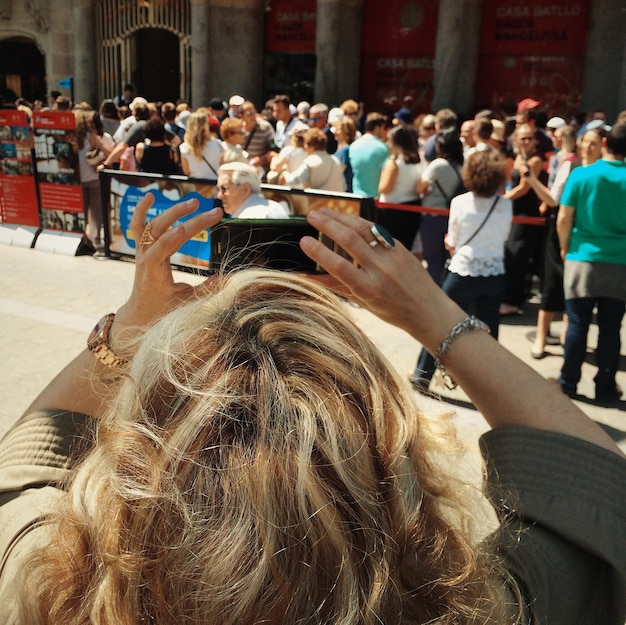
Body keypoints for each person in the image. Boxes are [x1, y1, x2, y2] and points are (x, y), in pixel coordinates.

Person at [1, 197, 625, 625]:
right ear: (391, 463)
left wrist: (129, 331)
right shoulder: (475, 608)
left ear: (138, 454)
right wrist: (431, 313)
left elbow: (29, 458)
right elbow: (594, 481)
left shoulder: (47, 591)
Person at [411, 149, 512, 392]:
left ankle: (422, 376)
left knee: (439, 324)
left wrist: (451, 243)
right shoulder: (505, 204)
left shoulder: (460, 202)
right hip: (494, 272)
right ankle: (491, 384)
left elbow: (453, 241)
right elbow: (504, 238)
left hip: (463, 271)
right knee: (489, 330)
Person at [556, 122, 626, 403]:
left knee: (577, 324)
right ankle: (605, 385)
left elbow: (563, 218)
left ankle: (568, 382)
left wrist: (564, 246)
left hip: (582, 257)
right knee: (611, 328)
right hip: (620, 261)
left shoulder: (582, 175)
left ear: (606, 143)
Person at [522, 125, 579, 358]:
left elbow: (554, 200)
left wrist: (531, 179)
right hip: (568, 226)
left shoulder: (568, 163)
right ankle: (556, 337)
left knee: (555, 283)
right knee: (562, 284)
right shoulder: (567, 161)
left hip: (562, 227)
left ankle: (547, 337)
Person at [500, 123, 547, 316]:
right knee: (511, 255)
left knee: (517, 256)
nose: (526, 141)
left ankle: (513, 301)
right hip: (513, 212)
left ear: (535, 141)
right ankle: (512, 296)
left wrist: (499, 200)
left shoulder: (535, 160)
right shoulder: (519, 157)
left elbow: (523, 188)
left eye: (529, 138)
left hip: (527, 214)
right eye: (522, 138)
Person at [416, 128, 465, 283]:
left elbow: (419, 188)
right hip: (452, 216)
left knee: (433, 259)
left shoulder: (438, 165)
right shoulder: (462, 166)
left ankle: (431, 295)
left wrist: (429, 191)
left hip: (433, 216)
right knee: (447, 259)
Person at [377, 125, 424, 249]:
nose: (388, 144)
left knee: (389, 249)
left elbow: (384, 188)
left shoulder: (393, 163)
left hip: (392, 212)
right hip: (413, 209)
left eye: (390, 141)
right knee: (405, 249)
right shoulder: (420, 161)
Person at [75, 109, 114, 248]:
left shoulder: (72, 138)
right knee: (96, 211)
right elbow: (107, 153)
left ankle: (82, 238)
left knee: (82, 211)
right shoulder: (92, 136)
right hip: (93, 177)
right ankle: (96, 240)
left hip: (78, 180)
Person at [281, 128, 345, 192]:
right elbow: (344, 186)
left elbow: (292, 181)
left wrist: (284, 172)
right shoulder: (336, 160)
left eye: (306, 145)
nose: (305, 148)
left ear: (311, 147)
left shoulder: (311, 161)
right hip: (337, 200)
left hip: (319, 200)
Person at [217, 162, 289, 218]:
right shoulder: (275, 207)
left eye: (225, 188)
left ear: (246, 189)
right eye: (218, 189)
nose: (219, 196)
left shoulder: (246, 219)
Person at [348, 112, 389, 197]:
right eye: (383, 128)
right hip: (376, 198)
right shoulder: (383, 148)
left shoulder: (353, 146)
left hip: (357, 195)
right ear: (377, 128)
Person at [179, 110, 224, 179]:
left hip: (195, 186)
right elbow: (222, 167)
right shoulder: (218, 144)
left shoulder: (184, 148)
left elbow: (186, 172)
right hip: (214, 185)